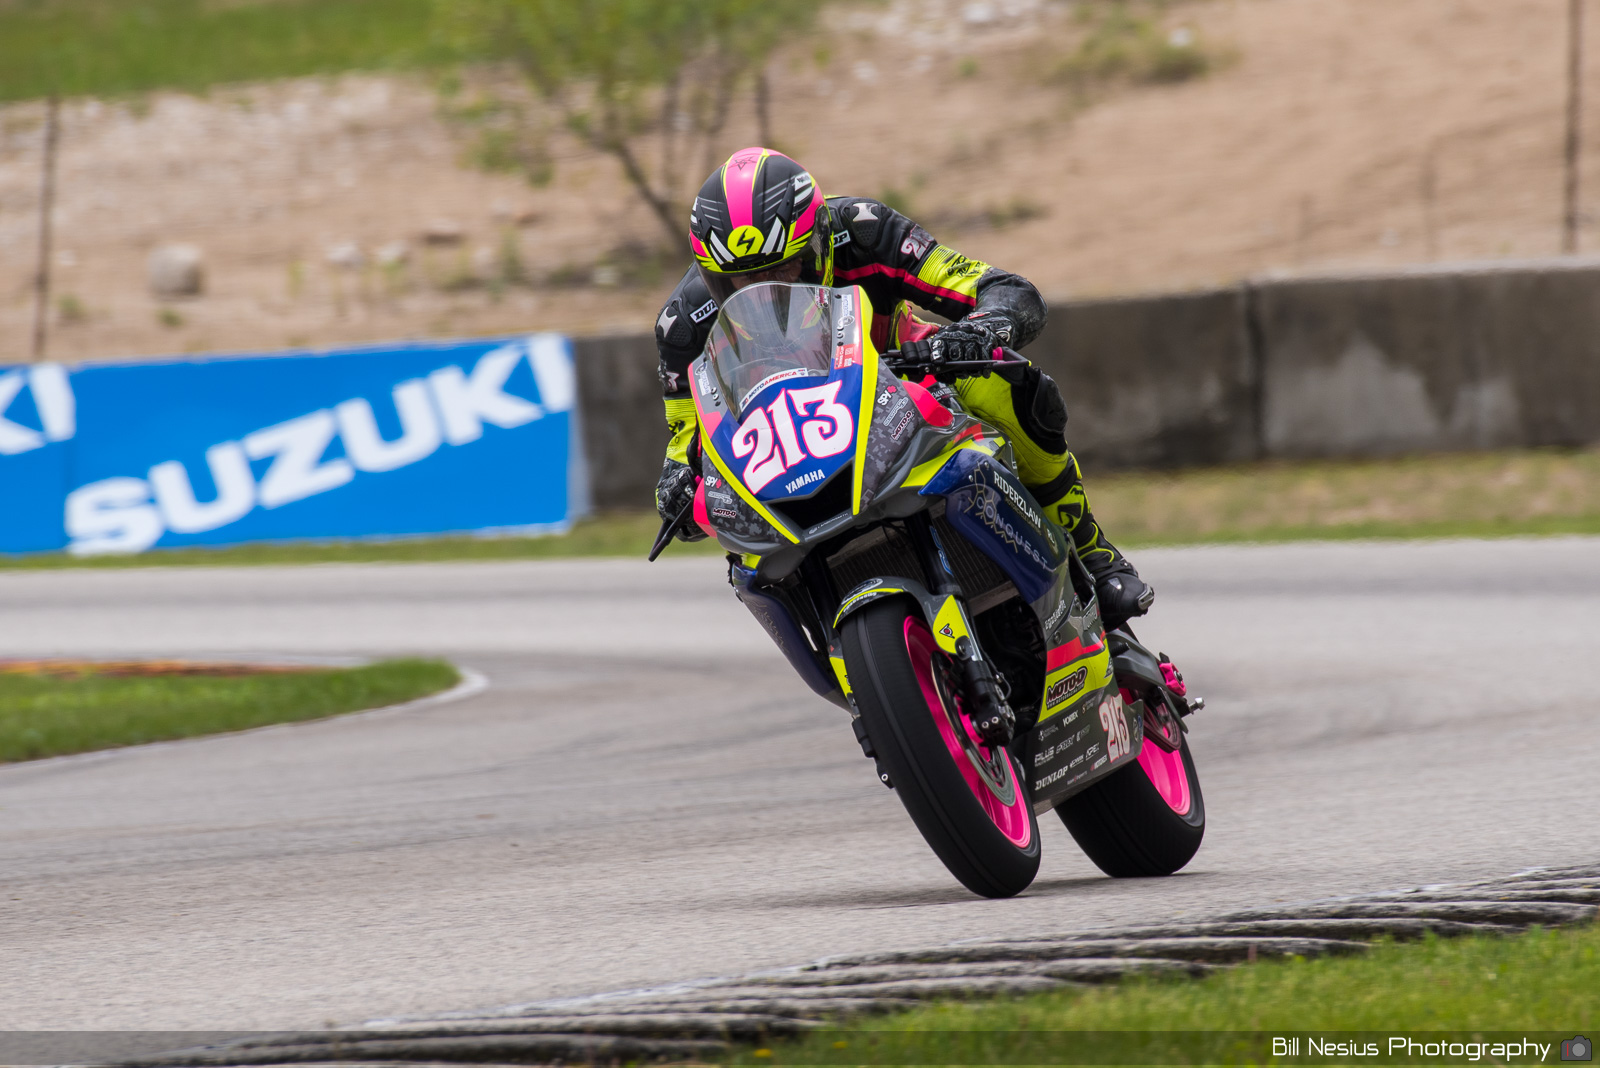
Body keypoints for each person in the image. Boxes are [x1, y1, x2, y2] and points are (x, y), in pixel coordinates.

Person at [652, 147, 1153, 630]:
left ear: (819, 240)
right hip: (785, 441)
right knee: (734, 542)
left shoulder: (865, 231)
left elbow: (1001, 288)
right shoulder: (683, 326)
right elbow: (687, 435)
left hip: (903, 384)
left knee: (1002, 380)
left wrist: (981, 329)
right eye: (745, 280)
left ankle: (1094, 553)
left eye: (786, 267)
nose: (770, 289)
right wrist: (676, 482)